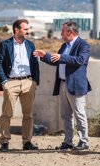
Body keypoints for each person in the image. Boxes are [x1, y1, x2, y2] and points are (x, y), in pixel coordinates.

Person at [34, 20, 91, 150]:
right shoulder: (64, 46)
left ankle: (84, 141)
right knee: (66, 115)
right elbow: (56, 61)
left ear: (70, 32)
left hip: (76, 85)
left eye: (63, 31)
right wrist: (45, 56)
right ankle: (68, 141)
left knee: (79, 114)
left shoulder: (83, 45)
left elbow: (80, 60)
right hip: (63, 85)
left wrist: (62, 57)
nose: (61, 34)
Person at [0, 19, 40, 152]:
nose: (28, 31)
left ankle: (27, 142)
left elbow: (35, 64)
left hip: (28, 82)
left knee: (28, 114)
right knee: (7, 114)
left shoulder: (31, 45)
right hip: (11, 82)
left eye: (28, 29)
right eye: (25, 29)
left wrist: (35, 81)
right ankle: (4, 142)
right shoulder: (5, 45)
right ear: (16, 30)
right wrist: (4, 82)